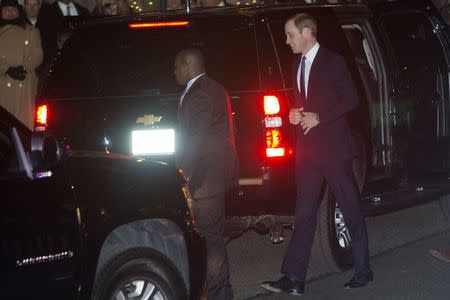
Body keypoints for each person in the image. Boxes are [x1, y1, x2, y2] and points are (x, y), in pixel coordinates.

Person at [260, 13, 372, 296]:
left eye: (290, 35)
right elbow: (302, 100)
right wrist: (294, 113)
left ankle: (363, 269)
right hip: (308, 152)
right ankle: (294, 278)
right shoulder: (297, 63)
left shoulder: (333, 61)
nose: (287, 41)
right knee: (304, 213)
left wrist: (320, 117)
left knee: (349, 207)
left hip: (334, 150)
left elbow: (351, 99)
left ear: (307, 32)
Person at [174, 48, 237, 300]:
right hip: (213, 178)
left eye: (177, 66)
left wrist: (183, 174)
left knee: (210, 241)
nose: (174, 71)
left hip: (204, 181)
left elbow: (194, 140)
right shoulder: (214, 87)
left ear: (188, 67)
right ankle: (223, 292)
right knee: (214, 239)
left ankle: (217, 293)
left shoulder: (199, 94)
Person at [0, 0, 43, 130]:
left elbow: (37, 55)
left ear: (19, 11)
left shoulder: (32, 31)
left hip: (25, 85)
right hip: (2, 85)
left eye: (13, 9)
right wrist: (7, 69)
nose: (10, 12)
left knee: (24, 126)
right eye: (6, 9)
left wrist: (24, 68)